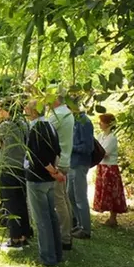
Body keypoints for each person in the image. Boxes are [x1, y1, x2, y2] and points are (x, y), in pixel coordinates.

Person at [24, 99, 65, 267]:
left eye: (26, 107)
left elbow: (40, 156)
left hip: (38, 179)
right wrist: (55, 171)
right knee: (51, 216)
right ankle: (57, 253)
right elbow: (57, 151)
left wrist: (53, 171)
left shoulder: (37, 129)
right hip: (47, 178)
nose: (24, 110)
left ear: (34, 111)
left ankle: (48, 257)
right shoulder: (49, 125)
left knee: (42, 219)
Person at [0, 100, 31, 248]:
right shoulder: (24, 124)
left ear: (7, 110)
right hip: (21, 168)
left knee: (10, 203)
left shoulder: (5, 126)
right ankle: (24, 235)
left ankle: (15, 238)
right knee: (21, 202)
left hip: (7, 167)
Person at [48, 85, 75, 250]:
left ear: (56, 99)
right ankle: (67, 234)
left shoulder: (59, 115)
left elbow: (41, 130)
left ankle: (64, 237)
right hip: (64, 159)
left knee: (59, 199)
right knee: (63, 198)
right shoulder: (66, 113)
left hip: (59, 161)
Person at [93, 113, 127, 227]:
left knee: (112, 192)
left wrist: (97, 152)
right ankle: (110, 218)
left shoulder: (112, 137)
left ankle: (113, 218)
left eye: (102, 122)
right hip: (102, 166)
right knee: (104, 191)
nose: (99, 124)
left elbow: (104, 152)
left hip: (110, 167)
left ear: (108, 124)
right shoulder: (100, 135)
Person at [69, 99, 95, 239]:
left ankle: (85, 229)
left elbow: (88, 147)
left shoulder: (84, 122)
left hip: (80, 163)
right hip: (72, 163)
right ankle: (79, 224)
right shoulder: (74, 120)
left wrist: (70, 148)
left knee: (80, 197)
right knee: (70, 195)